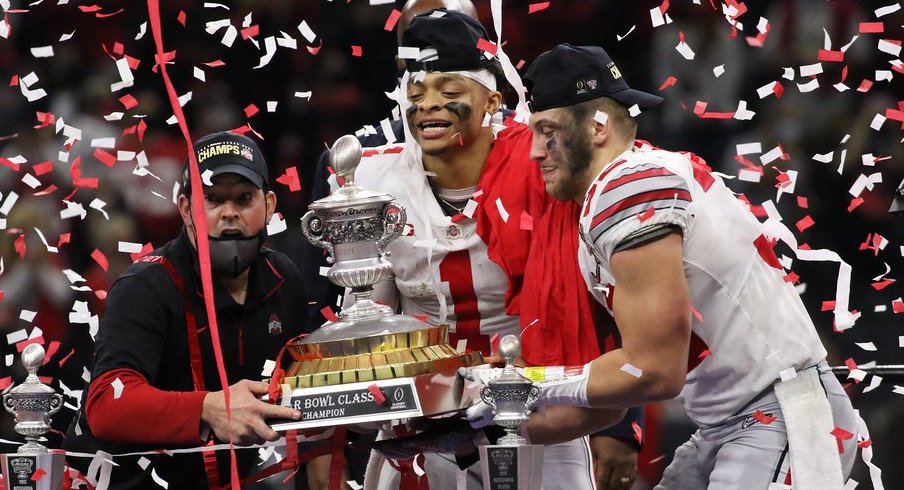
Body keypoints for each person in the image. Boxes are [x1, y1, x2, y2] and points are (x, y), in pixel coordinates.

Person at [305, 9, 641, 490]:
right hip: (422, 427)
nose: (427, 106)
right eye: (416, 93)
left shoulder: (545, 165)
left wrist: (621, 422)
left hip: (541, 411)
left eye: (449, 91)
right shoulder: (371, 180)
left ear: (492, 101)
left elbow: (607, 299)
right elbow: (370, 312)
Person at [509, 43, 858, 488]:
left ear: (598, 128)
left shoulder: (628, 187)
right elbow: (617, 396)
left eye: (547, 130)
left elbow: (654, 370)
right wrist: (483, 424)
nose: (535, 151)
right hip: (729, 423)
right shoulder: (623, 187)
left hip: (780, 415)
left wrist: (530, 386)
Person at [64, 131, 310, 489]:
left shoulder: (284, 277)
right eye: (211, 199)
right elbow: (105, 403)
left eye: (244, 199)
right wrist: (208, 409)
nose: (229, 214)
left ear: (269, 205)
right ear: (184, 208)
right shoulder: (146, 285)